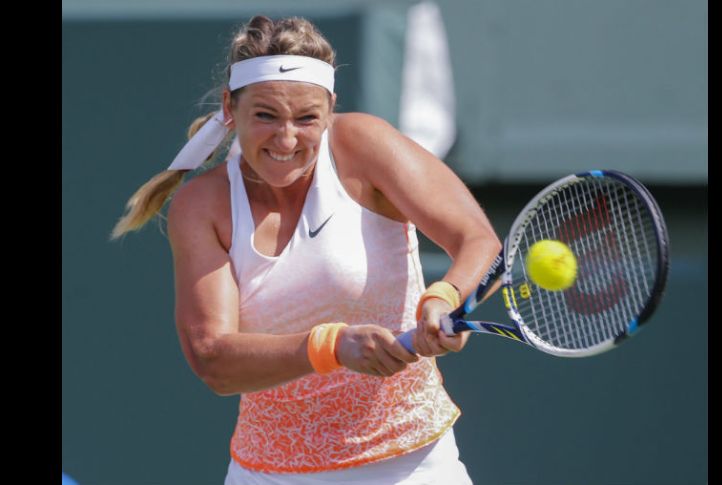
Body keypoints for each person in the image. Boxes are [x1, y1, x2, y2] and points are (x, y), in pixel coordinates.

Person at [112, 15, 500, 485]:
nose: (287, 139)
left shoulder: (363, 145)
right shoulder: (202, 205)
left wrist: (445, 297)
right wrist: (331, 345)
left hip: (414, 466)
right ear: (230, 110)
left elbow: (479, 240)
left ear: (331, 109)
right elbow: (212, 359)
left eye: (307, 118)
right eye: (266, 116)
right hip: (268, 474)